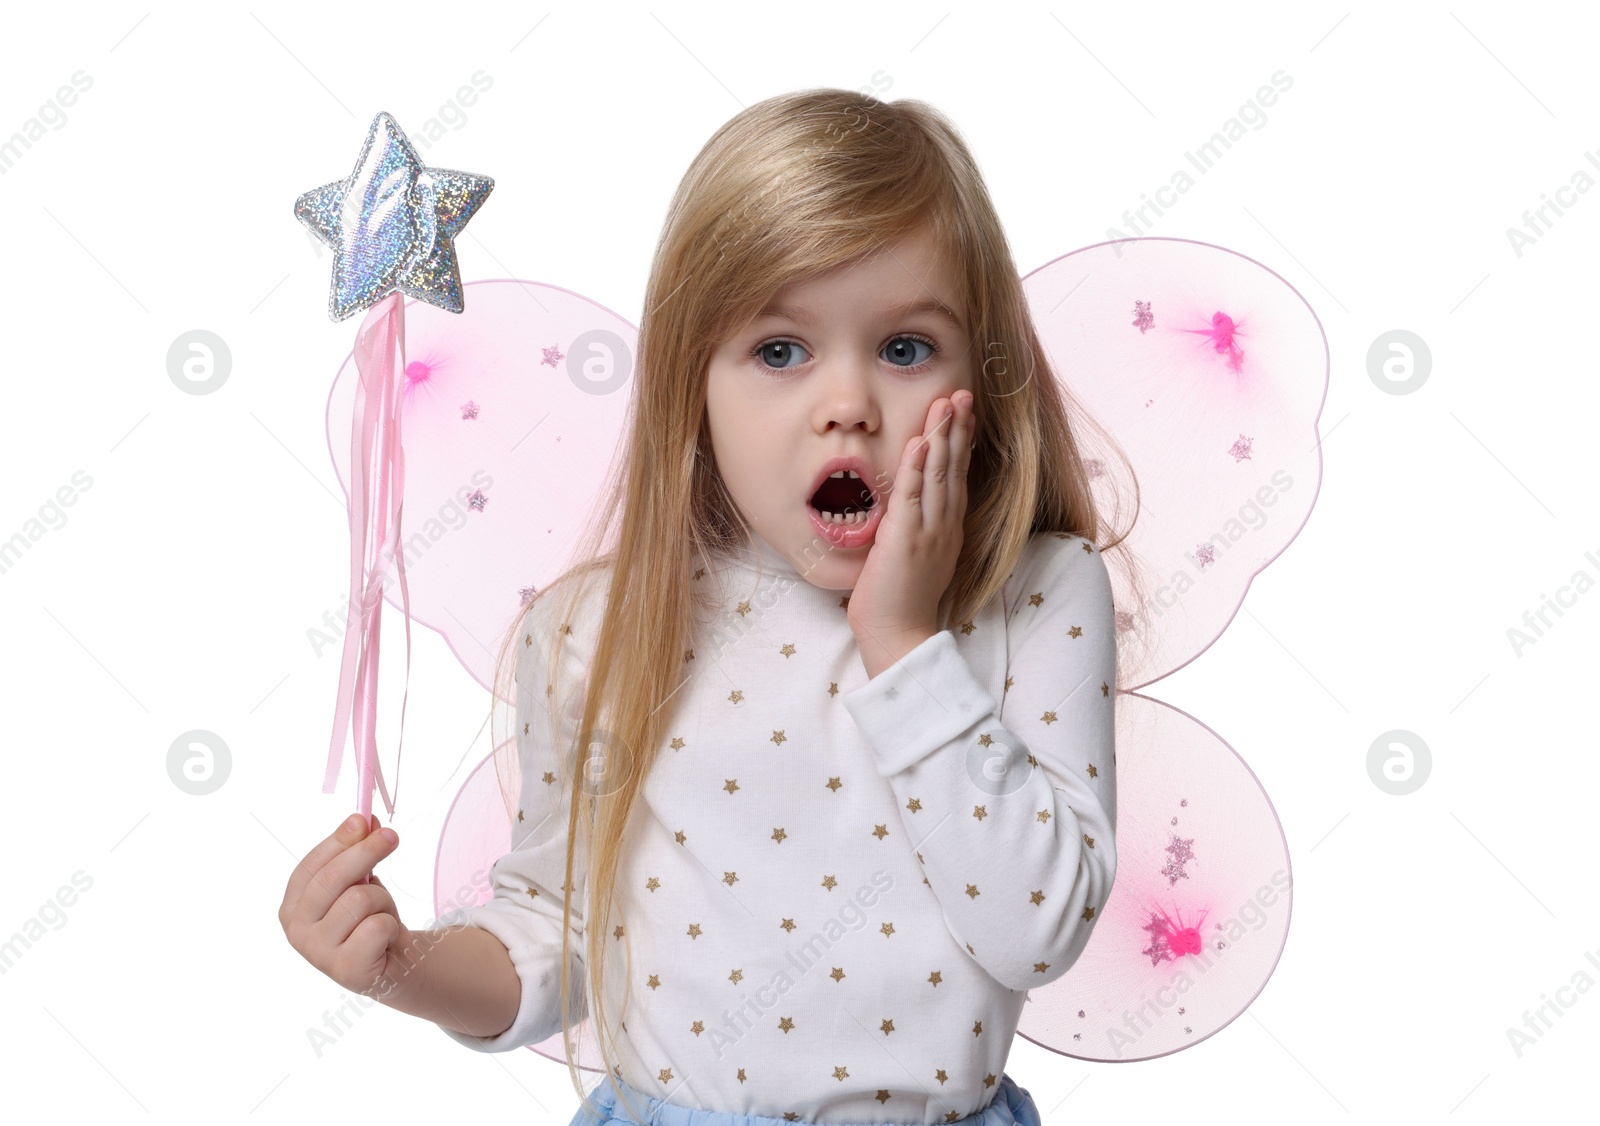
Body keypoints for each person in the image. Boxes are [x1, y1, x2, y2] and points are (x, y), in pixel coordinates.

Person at [281, 87, 1137, 1126]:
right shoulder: (598, 632)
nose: (848, 403)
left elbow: (1036, 928)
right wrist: (401, 966)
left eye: (905, 348)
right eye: (779, 351)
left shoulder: (1039, 593)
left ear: (983, 372)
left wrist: (903, 642)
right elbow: (555, 933)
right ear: (693, 388)